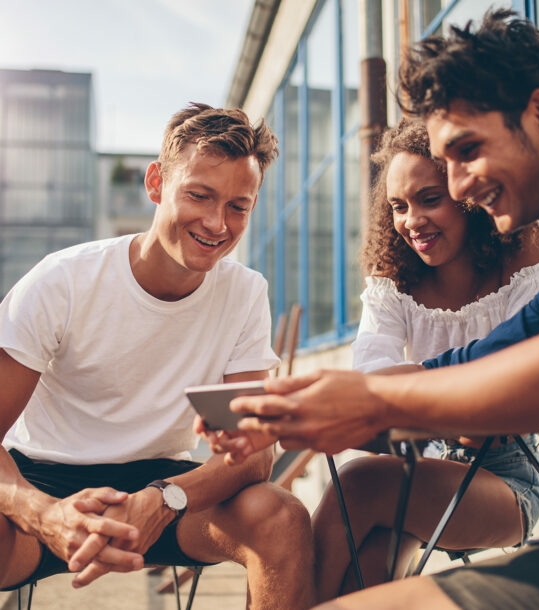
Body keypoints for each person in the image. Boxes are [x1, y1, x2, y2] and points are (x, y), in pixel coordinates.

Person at [218, 8, 539, 609]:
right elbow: (489, 353)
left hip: (516, 489)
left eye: (466, 151)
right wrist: (312, 402)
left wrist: (373, 402)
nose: (457, 188)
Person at [0, 102, 315, 610]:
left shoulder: (243, 293)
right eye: (199, 195)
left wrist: (165, 498)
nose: (217, 223)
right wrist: (43, 514)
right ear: (155, 184)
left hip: (167, 488)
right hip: (45, 480)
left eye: (239, 205)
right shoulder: (64, 280)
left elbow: (253, 453)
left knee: (281, 517)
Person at [312, 117, 539, 601]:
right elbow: (372, 381)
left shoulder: (522, 261)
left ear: (469, 195)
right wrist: (426, 404)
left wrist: (405, 401)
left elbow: (513, 404)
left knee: (357, 484)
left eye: (429, 199)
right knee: (370, 570)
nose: (411, 221)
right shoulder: (395, 280)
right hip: (425, 464)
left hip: (509, 478)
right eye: (398, 206)